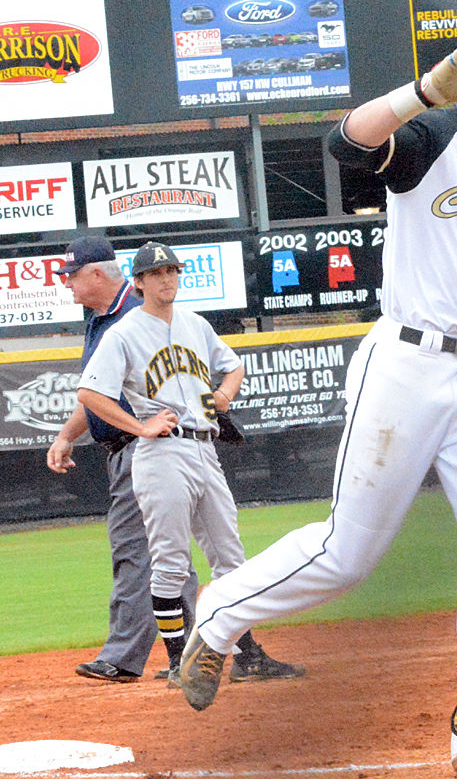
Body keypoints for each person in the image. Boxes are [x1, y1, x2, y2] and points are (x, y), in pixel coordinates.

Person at [177, 11, 457, 779]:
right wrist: (426, 91)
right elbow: (344, 144)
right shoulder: (430, 142)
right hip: (407, 362)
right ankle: (219, 615)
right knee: (347, 553)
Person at [76, 241, 305, 689]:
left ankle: (246, 654)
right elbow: (90, 394)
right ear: (138, 282)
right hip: (161, 455)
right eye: (156, 273)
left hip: (205, 448)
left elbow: (233, 366)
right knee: (170, 564)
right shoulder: (122, 333)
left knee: (231, 559)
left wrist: (221, 398)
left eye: (172, 271)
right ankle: (180, 660)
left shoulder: (195, 325)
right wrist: (140, 427)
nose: (166, 279)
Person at [48, 235, 199, 684]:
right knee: (170, 555)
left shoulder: (135, 315)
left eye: (71, 275)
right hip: (133, 449)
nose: (67, 285)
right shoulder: (101, 320)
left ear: (97, 274)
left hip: (148, 448)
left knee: (135, 550)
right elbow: (96, 393)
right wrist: (67, 436)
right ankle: (197, 649)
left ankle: (123, 656)